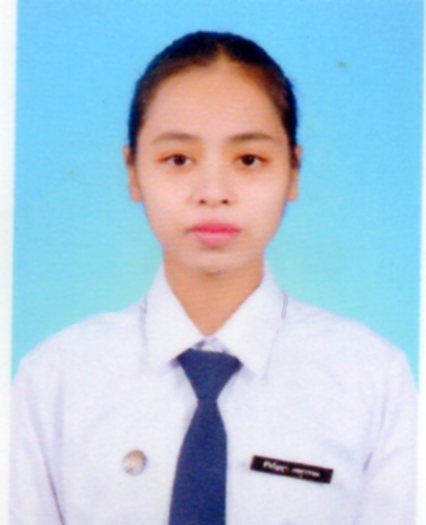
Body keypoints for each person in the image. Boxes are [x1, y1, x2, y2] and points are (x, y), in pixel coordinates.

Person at [10, 31, 416, 525]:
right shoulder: (55, 381)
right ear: (133, 171)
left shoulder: (371, 379)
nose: (213, 191)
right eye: (178, 159)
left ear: (293, 170)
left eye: (249, 160)